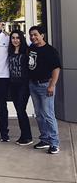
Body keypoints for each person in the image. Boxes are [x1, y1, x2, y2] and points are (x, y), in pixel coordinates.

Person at [28, 25, 61, 154]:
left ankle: (54, 143)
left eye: (35, 34)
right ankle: (45, 139)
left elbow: (56, 69)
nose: (33, 37)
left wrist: (52, 85)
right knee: (39, 114)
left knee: (48, 114)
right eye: (31, 35)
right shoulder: (31, 48)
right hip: (33, 85)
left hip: (45, 85)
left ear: (42, 35)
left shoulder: (50, 50)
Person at [8, 30, 33, 145]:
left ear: (21, 39)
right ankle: (24, 135)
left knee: (21, 109)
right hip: (13, 84)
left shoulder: (27, 51)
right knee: (19, 110)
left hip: (24, 84)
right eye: (13, 38)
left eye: (18, 38)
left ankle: (27, 137)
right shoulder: (10, 50)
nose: (15, 40)